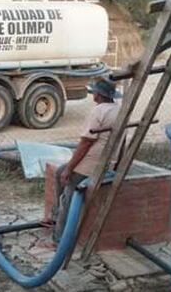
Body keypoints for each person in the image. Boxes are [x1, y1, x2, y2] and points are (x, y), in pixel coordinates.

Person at [52, 77, 122, 243]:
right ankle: (55, 217)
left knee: (68, 192)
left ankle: (59, 238)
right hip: (106, 163)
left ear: (97, 94)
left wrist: (70, 168)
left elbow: (85, 143)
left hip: (90, 166)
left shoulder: (98, 111)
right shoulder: (118, 109)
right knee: (58, 172)